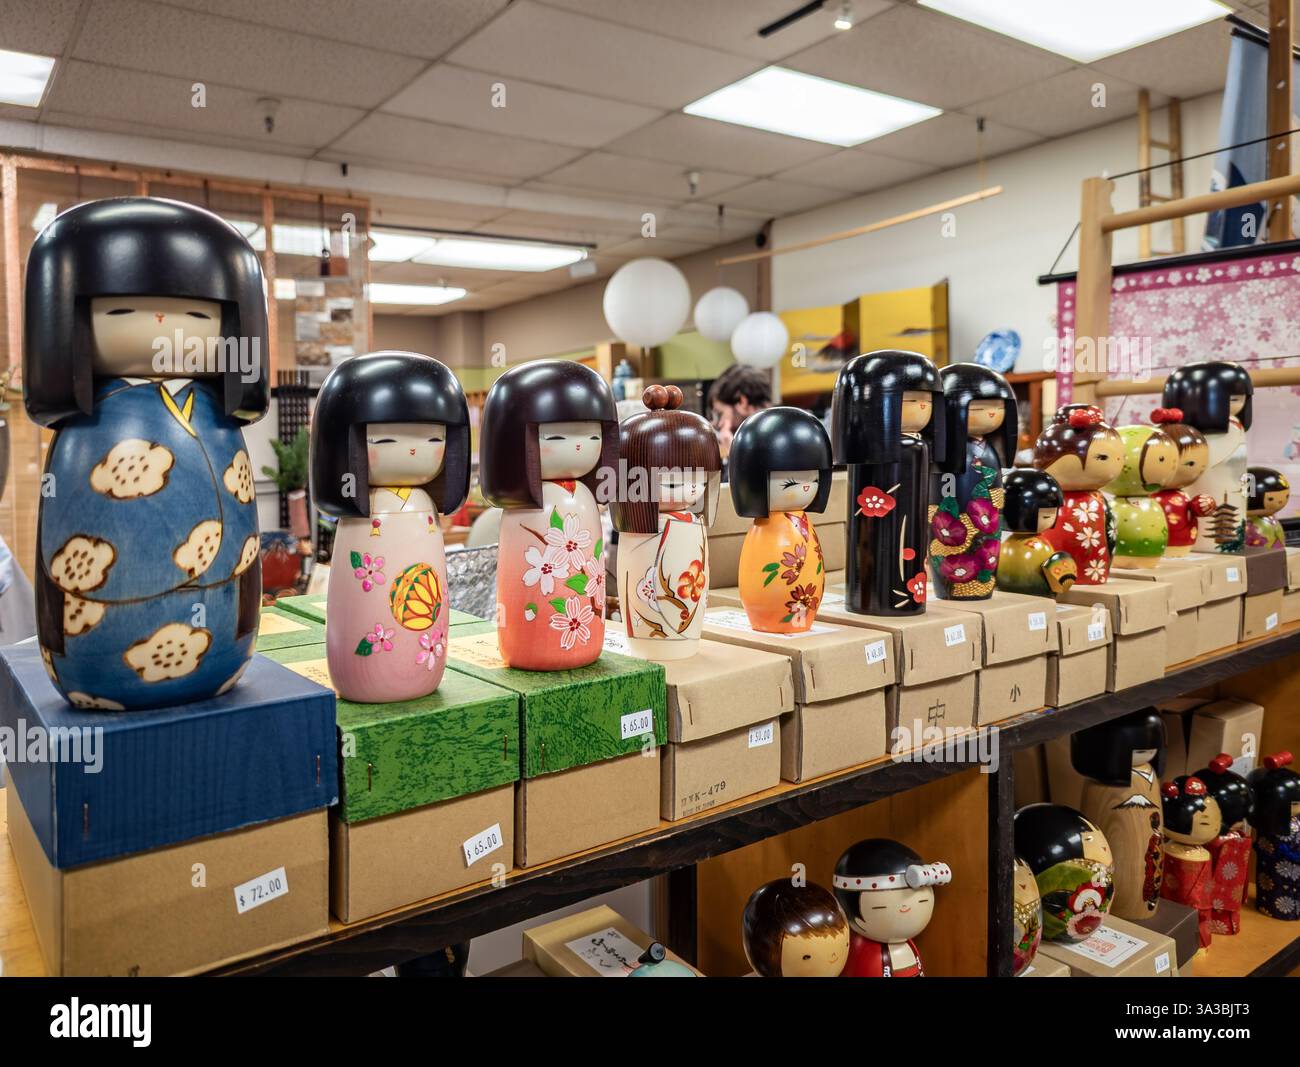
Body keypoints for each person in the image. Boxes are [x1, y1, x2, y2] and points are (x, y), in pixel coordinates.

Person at [708, 364, 772, 459]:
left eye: (720, 414)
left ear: (742, 402)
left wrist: (733, 453)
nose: (719, 423)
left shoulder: (768, 444)